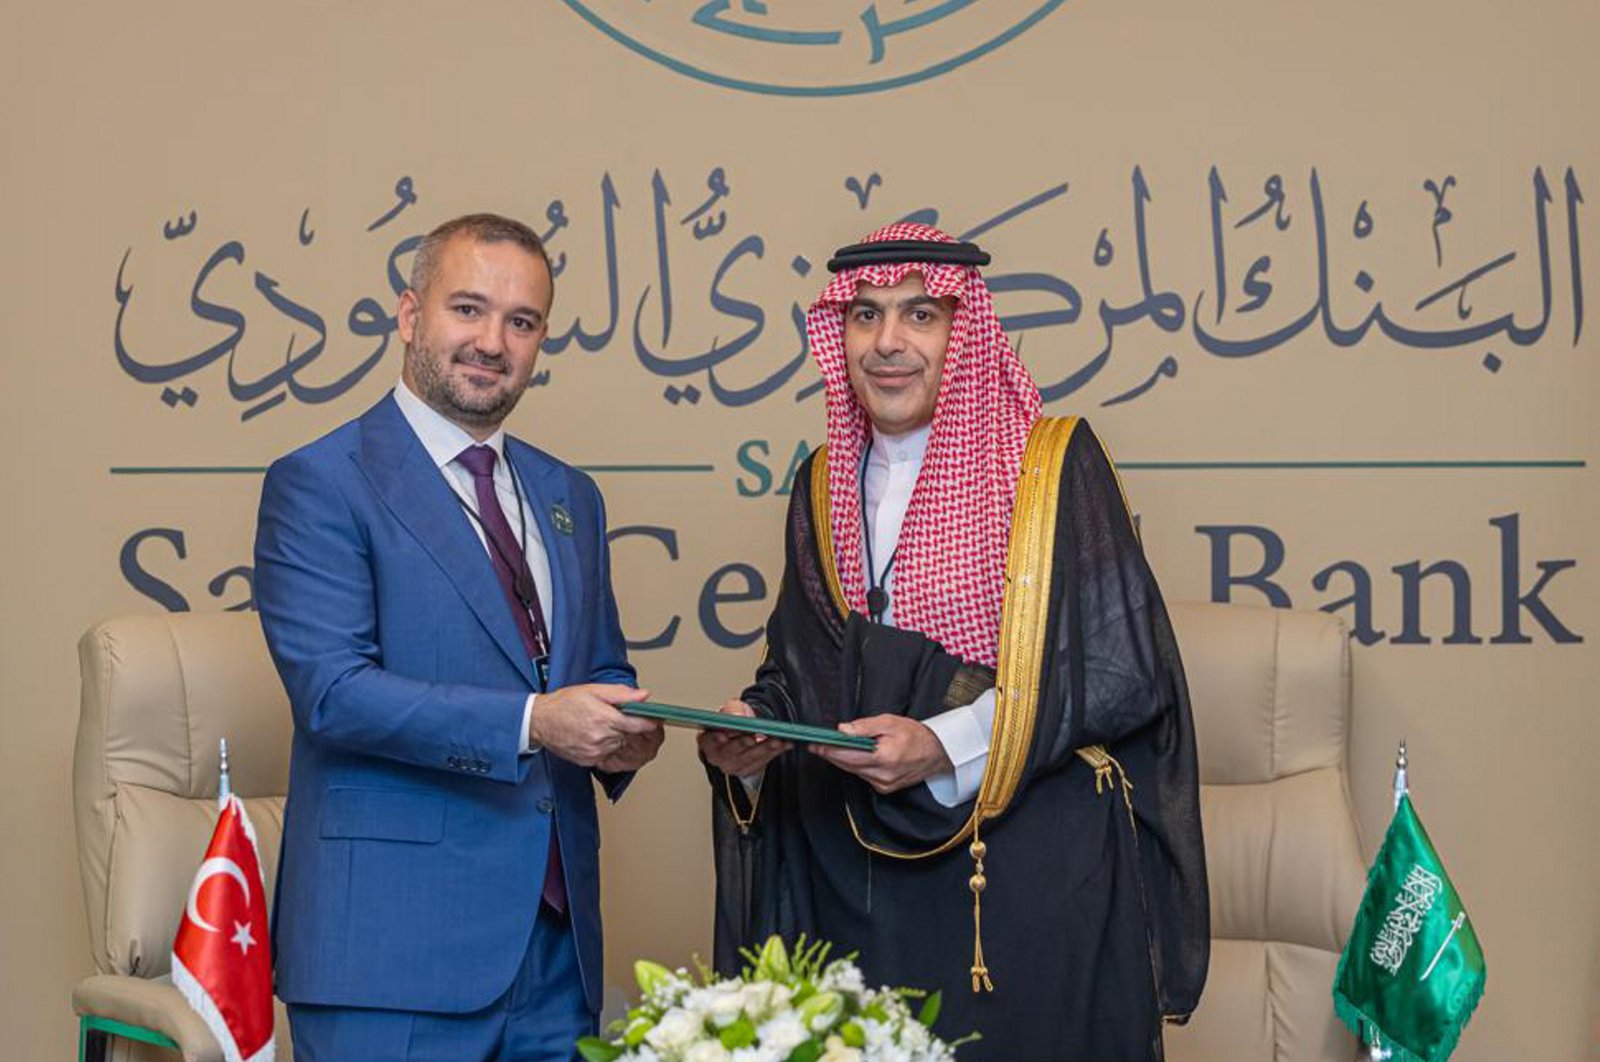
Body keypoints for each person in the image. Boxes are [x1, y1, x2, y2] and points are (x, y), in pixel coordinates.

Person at [699, 223, 1208, 1061]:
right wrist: (755, 732)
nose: (887, 342)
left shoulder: (1050, 464)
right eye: (864, 316)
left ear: (963, 331)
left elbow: (1116, 669)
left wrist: (945, 745)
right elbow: (802, 666)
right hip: (861, 875)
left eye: (919, 315)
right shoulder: (823, 482)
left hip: (1027, 875)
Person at [255, 212, 664, 1062]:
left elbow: (595, 667)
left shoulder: (570, 496)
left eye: (521, 322)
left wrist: (623, 736)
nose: (492, 341)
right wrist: (534, 724)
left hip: (555, 954)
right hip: (389, 959)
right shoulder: (322, 482)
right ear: (409, 315)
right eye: (467, 309)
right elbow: (333, 693)